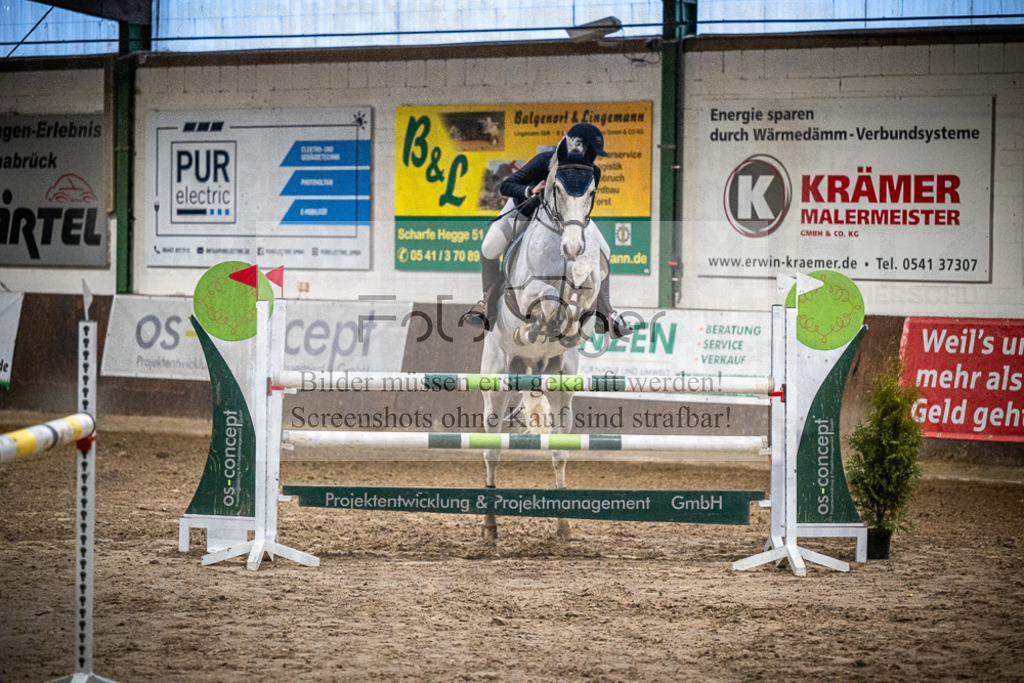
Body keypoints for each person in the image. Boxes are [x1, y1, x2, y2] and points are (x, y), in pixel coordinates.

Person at [464, 122, 632, 339]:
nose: (592, 159)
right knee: (489, 246)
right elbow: (506, 186)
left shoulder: (593, 172)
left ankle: (605, 313)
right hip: (524, 209)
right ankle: (487, 307)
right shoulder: (545, 161)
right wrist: (530, 190)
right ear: (577, 146)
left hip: (570, 218)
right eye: (591, 152)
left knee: (605, 251)